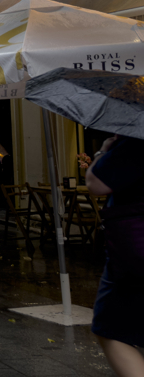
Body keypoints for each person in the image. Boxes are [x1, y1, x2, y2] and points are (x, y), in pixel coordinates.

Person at [86, 135, 144, 375]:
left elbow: (96, 184)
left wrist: (102, 152)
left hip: (136, 248)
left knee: (109, 327)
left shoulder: (136, 141)